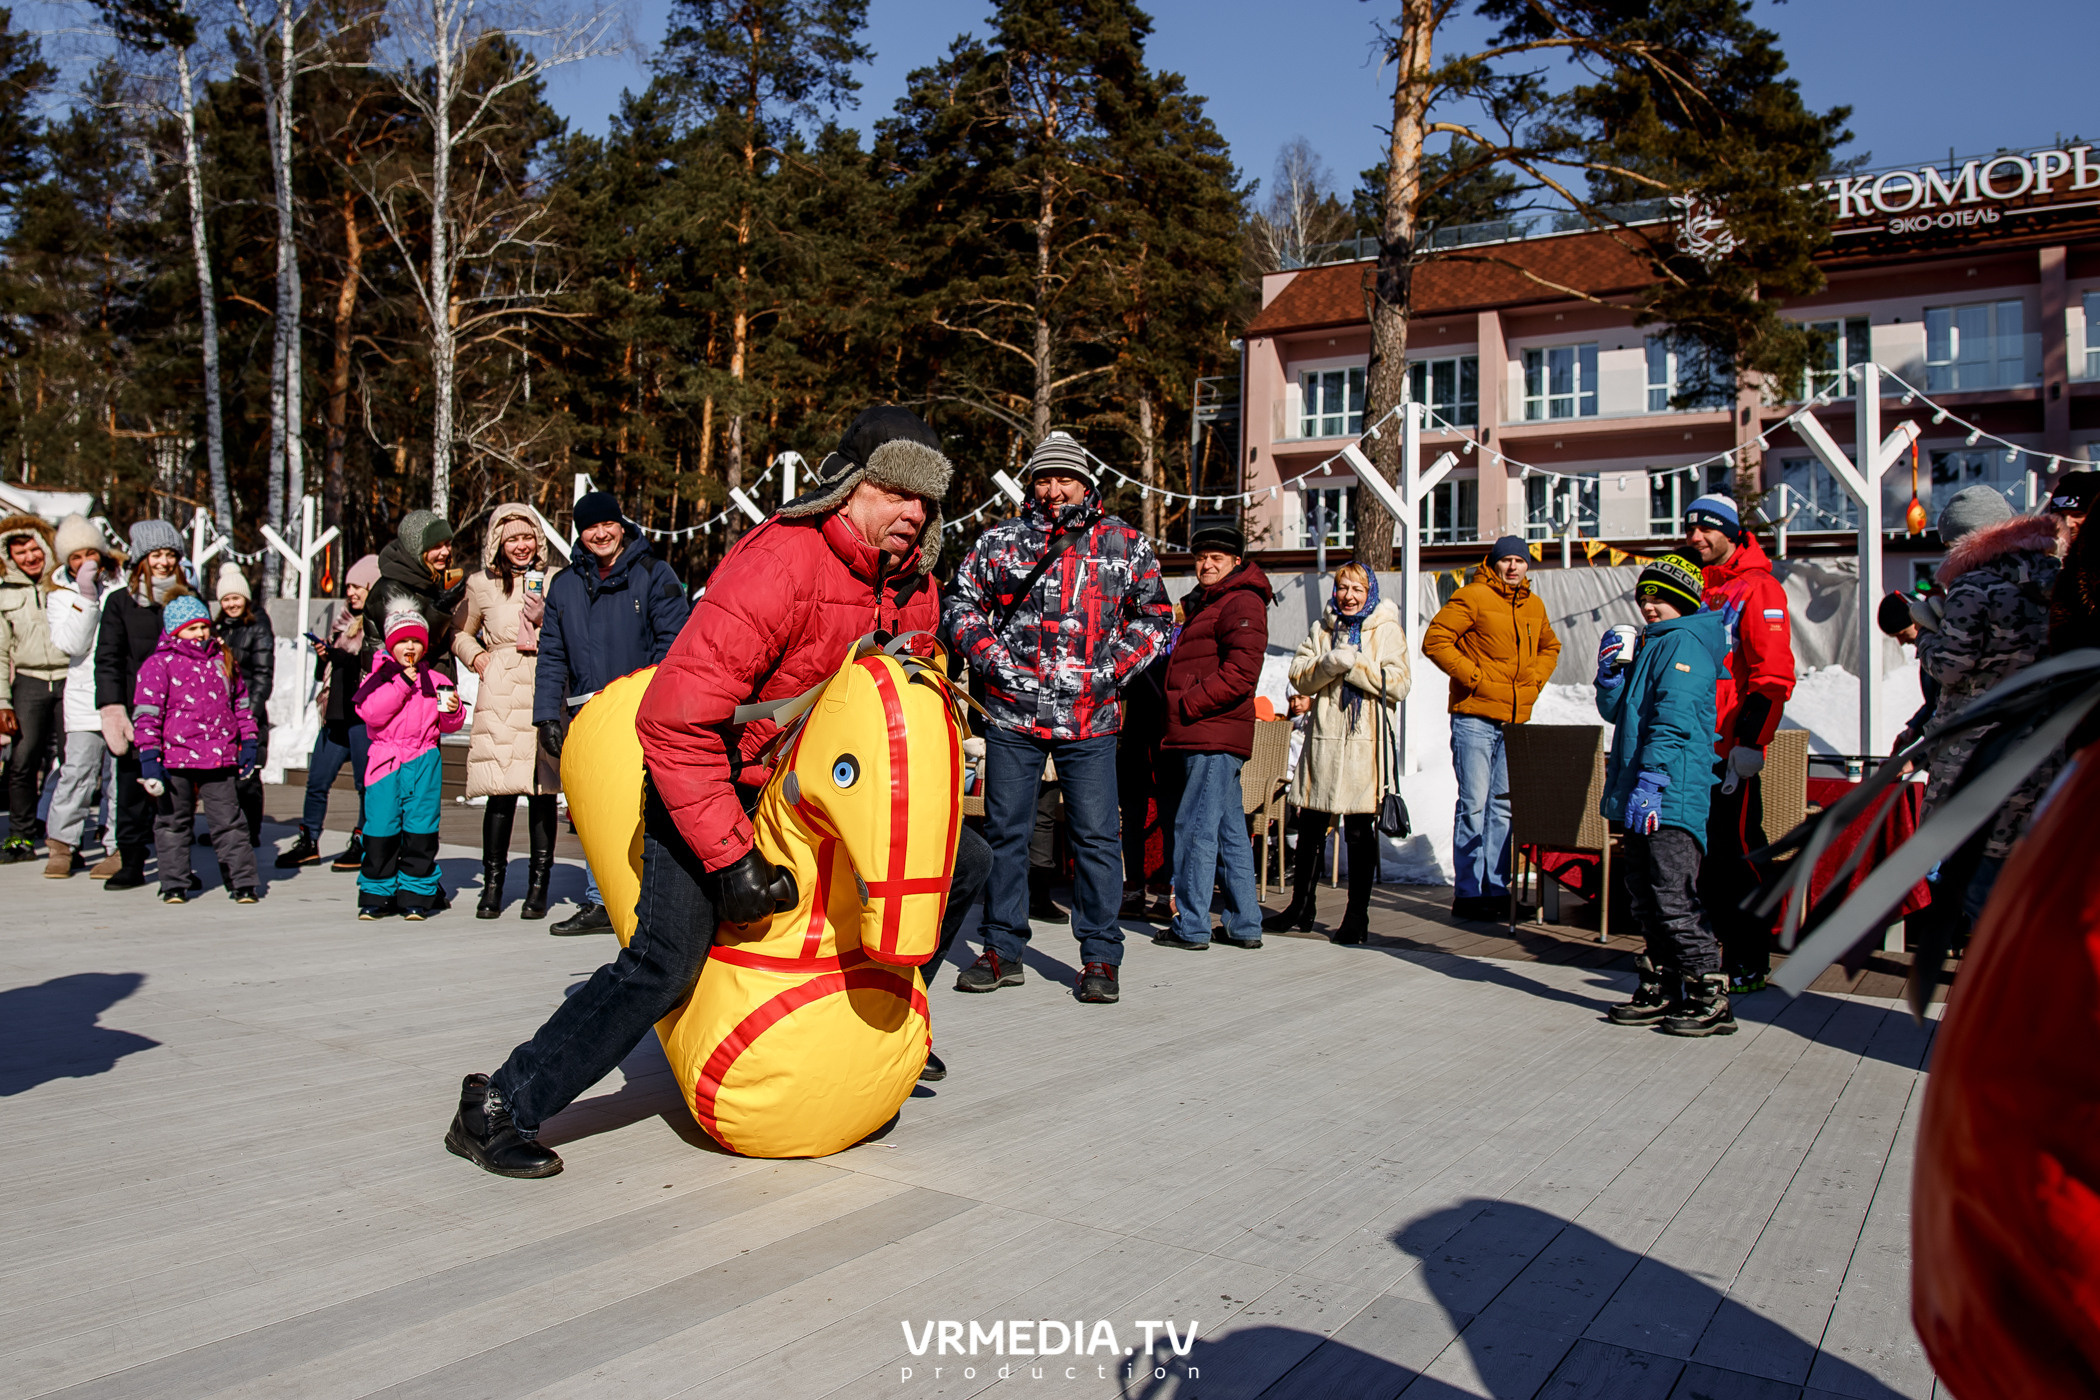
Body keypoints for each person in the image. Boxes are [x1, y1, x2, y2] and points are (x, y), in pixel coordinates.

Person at [445, 405, 988, 1178]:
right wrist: (729, 857)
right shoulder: (782, 563)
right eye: (898, 492)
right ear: (848, 488)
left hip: (819, 803)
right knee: (666, 961)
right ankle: (499, 1104)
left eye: (927, 502)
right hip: (716, 783)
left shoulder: (914, 587)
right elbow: (675, 721)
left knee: (969, 865)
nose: (915, 513)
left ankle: (885, 1025)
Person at [943, 430, 1172, 1006]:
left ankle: (1099, 955)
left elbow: (1156, 616)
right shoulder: (1000, 541)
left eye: (1063, 477)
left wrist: (1110, 671)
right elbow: (960, 601)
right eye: (1043, 478)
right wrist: (992, 661)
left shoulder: (1122, 542)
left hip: (1090, 719)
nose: (1052, 488)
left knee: (1096, 836)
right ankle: (1001, 949)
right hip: (1012, 715)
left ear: (1085, 483)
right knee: (1005, 834)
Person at [532, 490, 690, 934]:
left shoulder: (653, 575)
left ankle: (655, 899)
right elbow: (552, 655)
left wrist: (653, 702)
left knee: (647, 806)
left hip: (642, 711)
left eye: (607, 524)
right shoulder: (564, 586)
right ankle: (600, 900)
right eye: (590, 527)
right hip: (586, 715)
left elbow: (673, 645)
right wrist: (547, 715)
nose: (600, 533)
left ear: (621, 525)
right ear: (580, 534)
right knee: (595, 808)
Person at [1914, 486, 2067, 924]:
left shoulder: (1973, 587)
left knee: (1975, 866)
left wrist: (1925, 633)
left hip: (1976, 749)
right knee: (2025, 857)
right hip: (2042, 741)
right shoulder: (2053, 577)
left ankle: (1985, 972)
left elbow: (1949, 667)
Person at [1596, 554, 1734, 1036]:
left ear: (1682, 599)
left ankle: (1707, 988)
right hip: (1641, 788)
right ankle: (1664, 979)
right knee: (1644, 894)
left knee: (1672, 893)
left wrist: (1654, 781)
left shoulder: (1688, 646)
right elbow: (1624, 712)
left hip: (1669, 793)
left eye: (1659, 597)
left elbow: (1673, 721)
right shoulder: (1654, 644)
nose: (1649, 606)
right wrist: (1611, 678)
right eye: (1643, 597)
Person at [1681, 493, 1795, 994]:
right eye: (1689, 530)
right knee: (1700, 861)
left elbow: (1772, 676)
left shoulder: (1759, 589)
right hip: (1693, 749)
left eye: (1705, 529)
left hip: (1731, 754)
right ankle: (1708, 952)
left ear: (1731, 531)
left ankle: (1750, 957)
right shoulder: (1700, 588)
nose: (1694, 538)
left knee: (1740, 855)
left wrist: (1750, 743)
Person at [1270, 561, 1412, 942]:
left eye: (1357, 590)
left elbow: (1398, 684)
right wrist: (1331, 661)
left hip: (1366, 745)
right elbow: (1299, 674)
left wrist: (1356, 665)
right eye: (1342, 587)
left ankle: (1356, 916)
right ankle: (1301, 906)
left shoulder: (1387, 630)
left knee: (1360, 831)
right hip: (1325, 742)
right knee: (1313, 826)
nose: (1348, 596)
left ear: (1370, 594)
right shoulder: (1322, 628)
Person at [1422, 535, 1561, 921]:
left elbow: (1552, 647)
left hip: (1514, 720)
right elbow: (1435, 640)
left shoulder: (1534, 605)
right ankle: (1468, 893)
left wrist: (1534, 681)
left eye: (1520, 560)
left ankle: (1497, 890)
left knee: (1503, 806)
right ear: (1494, 562)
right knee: (1474, 804)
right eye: (1506, 560)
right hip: (1475, 718)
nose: (1513, 567)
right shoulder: (1474, 596)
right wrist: (1475, 678)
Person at [1154, 525, 1274, 952]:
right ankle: (1244, 923)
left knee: (1195, 828)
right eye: (1201, 556)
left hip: (1211, 732)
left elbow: (1242, 673)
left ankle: (1191, 925)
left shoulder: (1241, 601)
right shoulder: (1210, 601)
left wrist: (1189, 704)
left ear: (1235, 562)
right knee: (1227, 830)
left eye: (1217, 558)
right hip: (1206, 732)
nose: (1206, 564)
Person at [453, 504, 563, 920]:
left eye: (528, 536)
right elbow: (459, 631)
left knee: (542, 792)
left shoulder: (556, 579)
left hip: (543, 683)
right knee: (500, 794)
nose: (521, 545)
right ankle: (493, 885)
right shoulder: (481, 584)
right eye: (512, 538)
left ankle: (539, 885)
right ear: (498, 542)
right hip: (501, 689)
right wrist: (477, 657)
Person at [133, 594, 261, 903]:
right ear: (175, 632)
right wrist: (149, 757)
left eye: (204, 626)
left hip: (219, 757)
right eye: (192, 629)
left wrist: (249, 741)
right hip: (175, 757)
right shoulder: (159, 664)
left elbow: (241, 706)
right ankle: (174, 882)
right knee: (173, 823)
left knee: (229, 823)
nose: (201, 634)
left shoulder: (223, 660)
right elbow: (147, 714)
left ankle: (242, 881)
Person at [95, 519, 192, 890]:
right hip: (138, 713)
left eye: (170, 555)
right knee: (132, 789)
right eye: (156, 555)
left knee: (177, 794)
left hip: (180, 713)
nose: (164, 563)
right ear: (142, 559)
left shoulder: (187, 601)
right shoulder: (120, 602)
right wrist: (112, 708)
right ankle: (131, 861)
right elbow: (109, 659)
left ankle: (176, 867)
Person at [354, 607, 465, 920]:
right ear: (391, 646)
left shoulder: (437, 679)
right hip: (385, 761)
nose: (410, 648)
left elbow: (449, 724)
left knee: (421, 829)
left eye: (416, 642)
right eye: (403, 642)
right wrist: (402, 683)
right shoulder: (378, 677)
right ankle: (376, 893)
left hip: (424, 760)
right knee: (381, 829)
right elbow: (371, 713)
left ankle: (415, 894)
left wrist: (454, 711)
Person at [279, 554, 380, 870]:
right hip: (335, 714)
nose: (351, 593)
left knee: (365, 785)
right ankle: (309, 841)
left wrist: (339, 655)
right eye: (348, 587)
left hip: (363, 718)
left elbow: (372, 667)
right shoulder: (343, 623)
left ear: (372, 587)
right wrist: (326, 656)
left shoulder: (379, 624)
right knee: (317, 780)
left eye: (358, 587)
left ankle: (362, 841)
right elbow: (327, 674)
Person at [42, 516, 120, 877]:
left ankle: (117, 843)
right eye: (76, 556)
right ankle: (62, 844)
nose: (85, 561)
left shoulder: (121, 586)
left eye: (92, 553)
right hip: (83, 695)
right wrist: (87, 600)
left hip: (118, 692)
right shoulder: (59, 595)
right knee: (77, 772)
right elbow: (71, 644)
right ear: (66, 560)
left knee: (119, 775)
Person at [0, 513, 66, 863]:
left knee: (74, 762)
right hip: (29, 679)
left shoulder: (62, 582)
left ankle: (63, 839)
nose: (28, 557)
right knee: (23, 760)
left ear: (44, 546)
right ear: (9, 556)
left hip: (70, 676)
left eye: (32, 548)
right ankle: (21, 837)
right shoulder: (4, 592)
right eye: (19, 552)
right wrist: (2, 702)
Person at [211, 564, 274, 849]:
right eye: (226, 599)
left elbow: (263, 676)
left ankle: (250, 830)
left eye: (236, 598)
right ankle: (227, 830)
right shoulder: (219, 628)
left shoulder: (258, 626)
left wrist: (251, 713)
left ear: (246, 598)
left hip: (248, 712)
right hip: (220, 713)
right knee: (223, 776)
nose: (231, 604)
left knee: (248, 776)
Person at [368, 509, 462, 677]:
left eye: (447, 543)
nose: (446, 552)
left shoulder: (430, 579)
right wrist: (441, 609)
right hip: (399, 689)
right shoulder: (392, 590)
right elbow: (412, 645)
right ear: (416, 550)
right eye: (436, 546)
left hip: (431, 683)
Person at [1878, 590, 1939, 755]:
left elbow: (1947, 711)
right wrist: (1914, 728)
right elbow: (1933, 703)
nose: (1902, 642)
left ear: (1918, 620)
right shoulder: (1928, 651)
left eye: (1903, 634)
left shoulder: (1942, 652)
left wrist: (1916, 760)